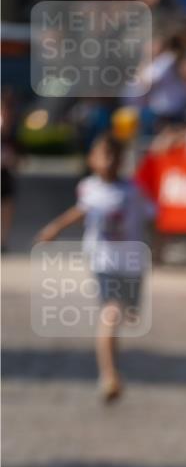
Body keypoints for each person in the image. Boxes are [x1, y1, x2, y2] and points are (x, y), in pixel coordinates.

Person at [36, 133, 153, 403]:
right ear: (92, 159)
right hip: (104, 262)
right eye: (103, 155)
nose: (108, 162)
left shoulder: (134, 191)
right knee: (111, 314)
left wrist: (157, 247)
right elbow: (82, 210)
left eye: (114, 156)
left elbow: (151, 217)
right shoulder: (89, 188)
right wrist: (54, 228)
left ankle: (111, 366)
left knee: (128, 314)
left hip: (133, 264)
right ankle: (109, 375)